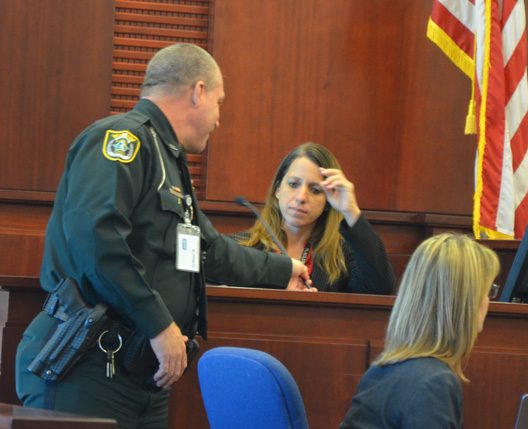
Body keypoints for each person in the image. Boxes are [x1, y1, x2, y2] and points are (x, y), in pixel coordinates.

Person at [15, 43, 311, 429]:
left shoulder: (169, 163)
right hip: (86, 368)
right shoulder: (122, 141)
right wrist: (159, 324)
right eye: (220, 102)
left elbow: (212, 252)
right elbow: (98, 244)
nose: (219, 119)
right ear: (198, 91)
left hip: (141, 377)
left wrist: (282, 270)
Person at [340, 232, 500, 428]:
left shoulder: (382, 370)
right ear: (466, 303)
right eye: (487, 291)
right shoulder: (434, 383)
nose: (488, 300)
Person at [232, 142, 395, 294]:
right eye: (293, 184)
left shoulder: (343, 257)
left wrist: (350, 210)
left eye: (315, 190)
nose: (301, 197)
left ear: (327, 202)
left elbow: (381, 288)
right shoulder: (239, 248)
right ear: (277, 189)